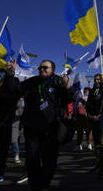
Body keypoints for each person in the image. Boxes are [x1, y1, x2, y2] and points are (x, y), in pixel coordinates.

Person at [16, 59, 73, 191]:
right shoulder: (31, 82)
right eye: (40, 68)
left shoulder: (58, 82)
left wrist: (67, 87)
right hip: (32, 126)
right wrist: (10, 75)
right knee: (31, 157)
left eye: (45, 68)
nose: (42, 69)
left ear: (52, 69)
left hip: (51, 128)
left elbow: (69, 99)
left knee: (49, 159)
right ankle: (34, 185)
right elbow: (16, 90)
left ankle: (44, 183)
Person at [0, 60, 20, 183]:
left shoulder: (13, 81)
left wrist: (10, 74)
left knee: (2, 150)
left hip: (4, 122)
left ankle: (0, 172)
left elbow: (13, 92)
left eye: (3, 71)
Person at [86, 73, 103, 178]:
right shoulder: (91, 91)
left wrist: (101, 115)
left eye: (99, 79)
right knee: (96, 144)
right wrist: (91, 116)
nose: (97, 81)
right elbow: (88, 106)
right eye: (95, 79)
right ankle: (98, 164)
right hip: (94, 120)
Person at [12, 97, 25, 164]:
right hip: (15, 120)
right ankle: (16, 155)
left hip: (24, 120)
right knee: (14, 138)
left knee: (20, 138)